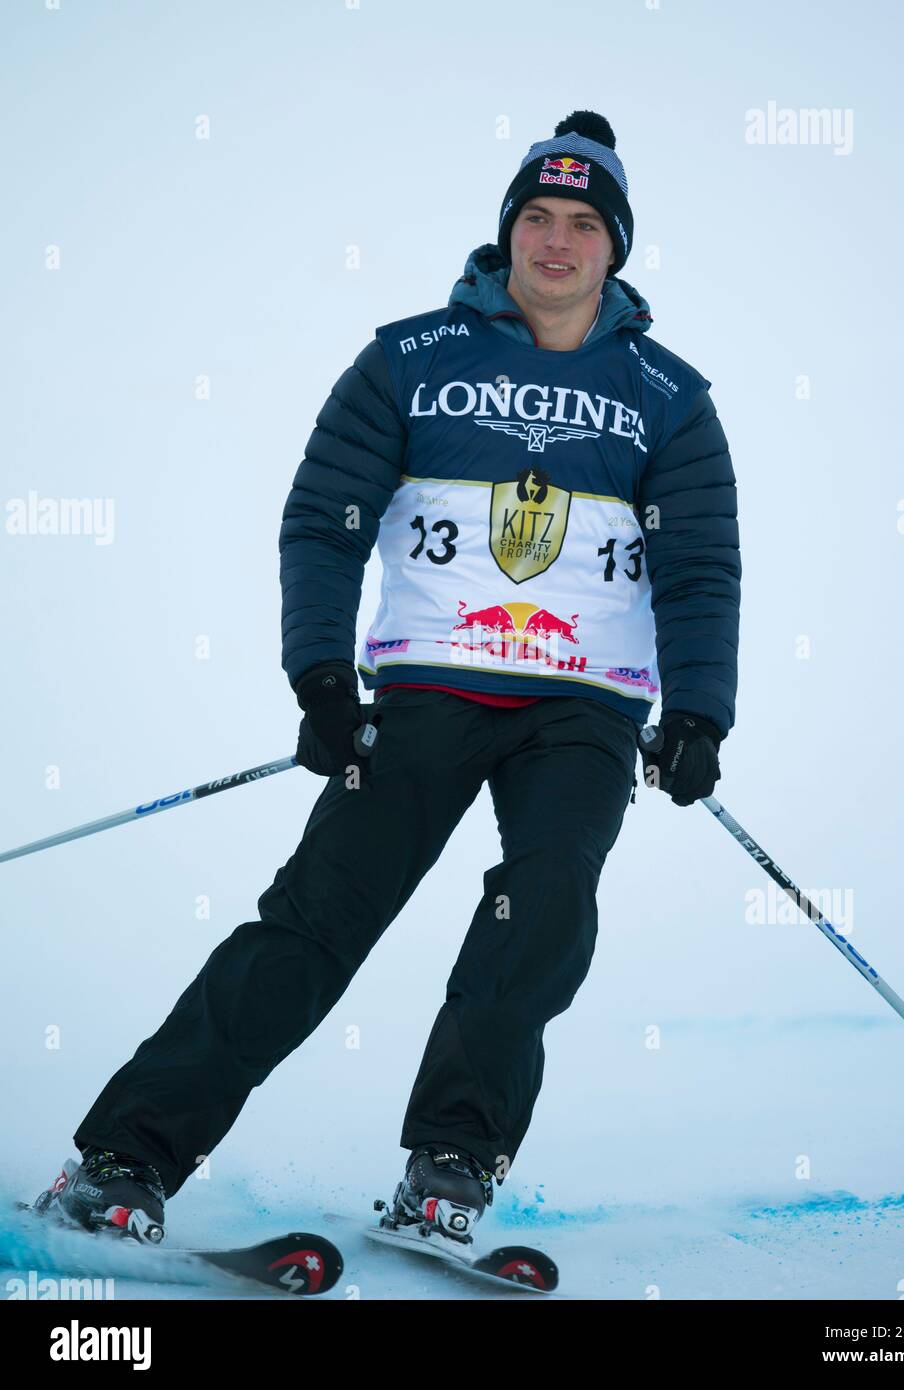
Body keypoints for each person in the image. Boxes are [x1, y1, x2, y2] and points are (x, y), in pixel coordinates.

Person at [36, 110, 741, 1248]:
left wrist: (700, 712)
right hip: (425, 695)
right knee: (314, 922)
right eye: (534, 219)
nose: (553, 244)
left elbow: (699, 567)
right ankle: (123, 1160)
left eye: (580, 224)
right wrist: (319, 673)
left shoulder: (666, 394)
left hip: (582, 709)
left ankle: (449, 1167)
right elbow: (325, 520)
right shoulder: (409, 360)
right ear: (505, 232)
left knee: (541, 911)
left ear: (614, 250)